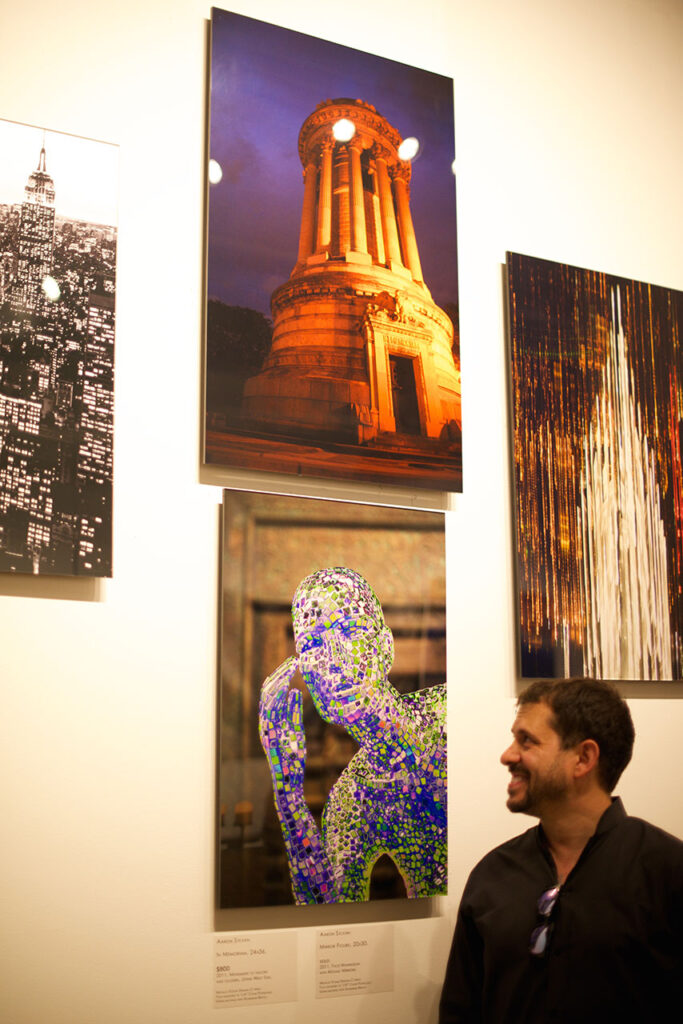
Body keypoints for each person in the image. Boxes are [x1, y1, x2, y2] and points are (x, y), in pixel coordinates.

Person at [439, 677, 683, 1023]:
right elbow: (460, 1011)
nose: (508, 755)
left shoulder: (667, 871)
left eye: (527, 741)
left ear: (583, 758)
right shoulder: (492, 875)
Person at [258, 566, 447, 904]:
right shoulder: (352, 802)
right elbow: (329, 915)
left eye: (348, 630)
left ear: (384, 646)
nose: (332, 658)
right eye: (312, 643)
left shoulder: (451, 716)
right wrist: (288, 797)